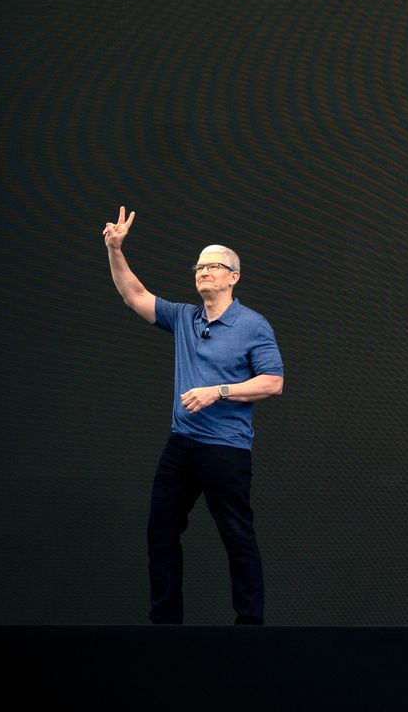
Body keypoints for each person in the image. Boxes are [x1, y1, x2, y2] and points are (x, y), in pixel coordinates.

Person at [103, 206, 285, 625]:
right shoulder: (185, 317)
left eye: (213, 266)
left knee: (237, 537)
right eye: (199, 266)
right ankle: (166, 624)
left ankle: (250, 625)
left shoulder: (253, 325)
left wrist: (218, 391)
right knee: (161, 533)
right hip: (181, 446)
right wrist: (115, 250)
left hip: (226, 450)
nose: (203, 272)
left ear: (233, 277)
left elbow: (273, 382)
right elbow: (134, 295)